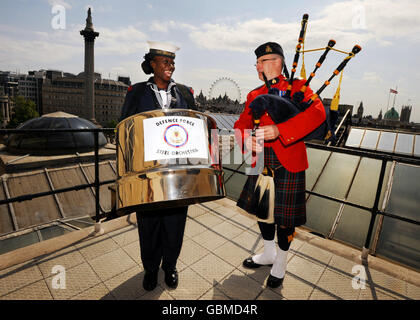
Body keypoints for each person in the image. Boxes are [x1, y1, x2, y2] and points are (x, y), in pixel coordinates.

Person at [234, 42, 326, 288]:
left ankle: (281, 261)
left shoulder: (299, 88)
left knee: (285, 219)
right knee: (263, 212)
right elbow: (241, 125)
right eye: (257, 62)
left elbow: (318, 114)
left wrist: (280, 130)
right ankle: (268, 253)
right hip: (261, 161)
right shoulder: (254, 94)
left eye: (260, 62)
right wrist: (247, 141)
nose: (256, 66)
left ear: (275, 62)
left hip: (289, 161)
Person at [119, 41, 196, 291]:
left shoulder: (185, 92)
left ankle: (170, 267)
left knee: (175, 223)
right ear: (152, 64)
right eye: (165, 62)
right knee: (149, 223)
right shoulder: (137, 92)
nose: (170, 66)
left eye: (172, 62)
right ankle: (151, 269)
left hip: (178, 172)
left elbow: (195, 128)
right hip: (147, 172)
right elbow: (125, 128)